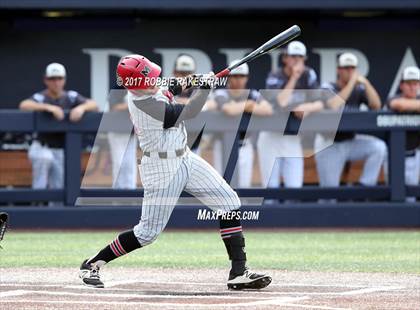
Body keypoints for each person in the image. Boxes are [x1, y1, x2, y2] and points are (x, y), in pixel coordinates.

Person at [79, 54, 272, 290]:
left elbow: (172, 84)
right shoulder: (143, 104)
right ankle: (93, 263)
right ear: (135, 84)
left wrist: (196, 79)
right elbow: (189, 112)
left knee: (229, 202)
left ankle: (238, 273)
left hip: (185, 157)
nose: (153, 80)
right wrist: (205, 89)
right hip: (161, 168)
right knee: (147, 233)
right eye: (147, 78)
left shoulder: (148, 85)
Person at [19, 63, 97, 190]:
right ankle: (38, 206)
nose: (56, 82)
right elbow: (24, 105)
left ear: (64, 80)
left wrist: (81, 108)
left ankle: (53, 208)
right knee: (44, 162)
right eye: (52, 79)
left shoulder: (71, 97)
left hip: (61, 149)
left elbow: (93, 104)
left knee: (59, 187)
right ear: (46, 80)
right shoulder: (41, 97)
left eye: (59, 78)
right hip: (42, 146)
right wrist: (48, 107)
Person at [258, 41, 323, 190]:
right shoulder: (275, 75)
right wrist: (293, 78)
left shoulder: (308, 74)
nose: (296, 61)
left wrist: (307, 107)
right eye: (293, 56)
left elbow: (320, 102)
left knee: (294, 186)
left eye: (300, 57)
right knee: (270, 188)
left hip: (292, 137)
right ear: (285, 58)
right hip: (271, 136)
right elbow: (282, 101)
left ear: (304, 59)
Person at [315, 52, 387, 188]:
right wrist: (353, 82)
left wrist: (366, 82)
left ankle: (364, 186)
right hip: (329, 144)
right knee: (329, 195)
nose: (350, 71)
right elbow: (334, 104)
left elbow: (376, 105)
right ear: (338, 70)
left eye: (352, 68)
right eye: (346, 68)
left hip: (351, 141)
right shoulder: (328, 86)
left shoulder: (359, 89)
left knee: (379, 147)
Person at [213, 61, 272, 187]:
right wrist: (248, 105)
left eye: (242, 76)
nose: (238, 80)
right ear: (229, 77)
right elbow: (228, 109)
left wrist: (242, 106)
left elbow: (267, 109)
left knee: (244, 187)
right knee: (221, 187)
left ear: (247, 77)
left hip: (244, 145)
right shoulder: (221, 93)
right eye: (235, 76)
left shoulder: (252, 94)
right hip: (223, 146)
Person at [387, 66, 420, 197]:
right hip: (392, 157)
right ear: (401, 85)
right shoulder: (394, 98)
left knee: (411, 197)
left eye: (415, 83)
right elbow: (398, 105)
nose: (412, 87)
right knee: (393, 195)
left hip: (414, 156)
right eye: (408, 84)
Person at [107, 86, 137, 189]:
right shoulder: (117, 89)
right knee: (119, 164)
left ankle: (130, 193)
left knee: (129, 165)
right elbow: (113, 107)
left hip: (131, 133)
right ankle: (117, 194)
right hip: (116, 132)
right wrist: (131, 105)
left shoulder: (140, 89)